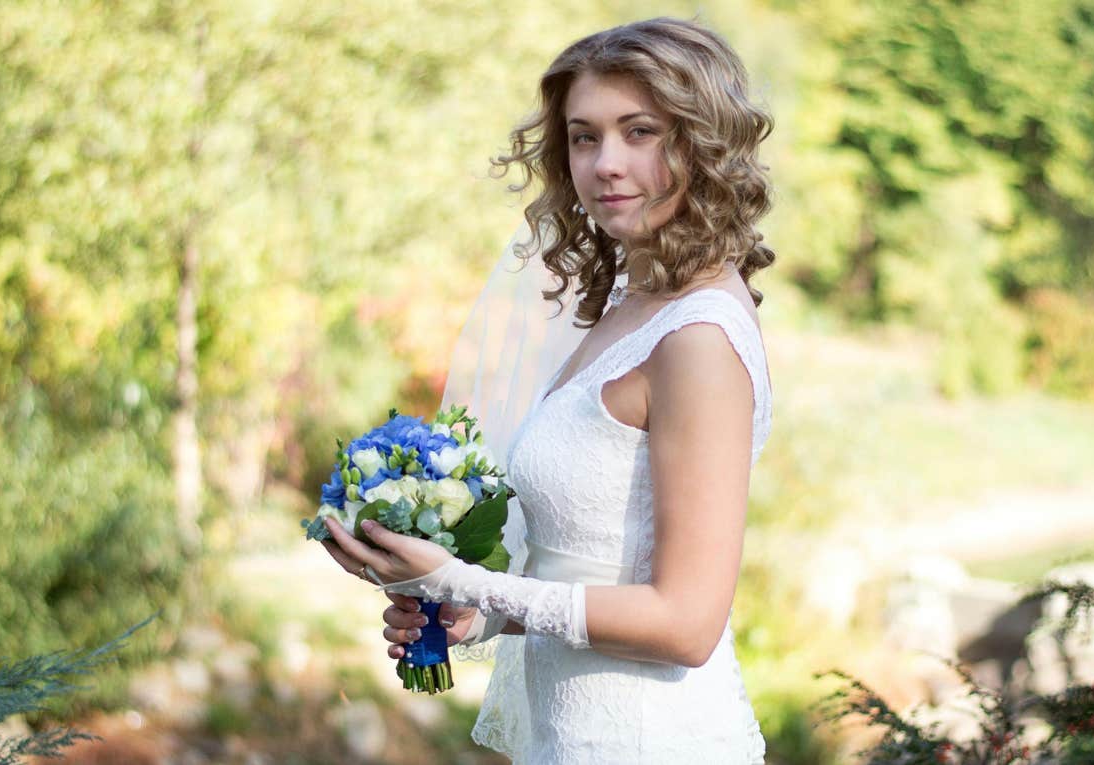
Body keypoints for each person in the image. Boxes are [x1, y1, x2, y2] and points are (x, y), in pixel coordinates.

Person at [320, 16, 775, 763]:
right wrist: (479, 613)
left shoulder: (698, 339)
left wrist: (465, 577)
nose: (606, 163)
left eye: (640, 131)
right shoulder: (630, 303)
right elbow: (589, 571)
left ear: (700, 143)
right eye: (584, 136)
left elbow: (688, 622)